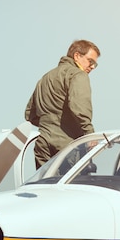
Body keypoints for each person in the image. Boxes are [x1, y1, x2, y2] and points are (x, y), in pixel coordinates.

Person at [25, 39, 100, 169]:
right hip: (68, 147)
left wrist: (50, 127)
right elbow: (79, 109)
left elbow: (29, 114)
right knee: (71, 188)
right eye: (90, 61)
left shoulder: (44, 78)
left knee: (45, 187)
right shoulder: (78, 75)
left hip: (42, 145)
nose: (92, 66)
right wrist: (90, 135)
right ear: (77, 56)